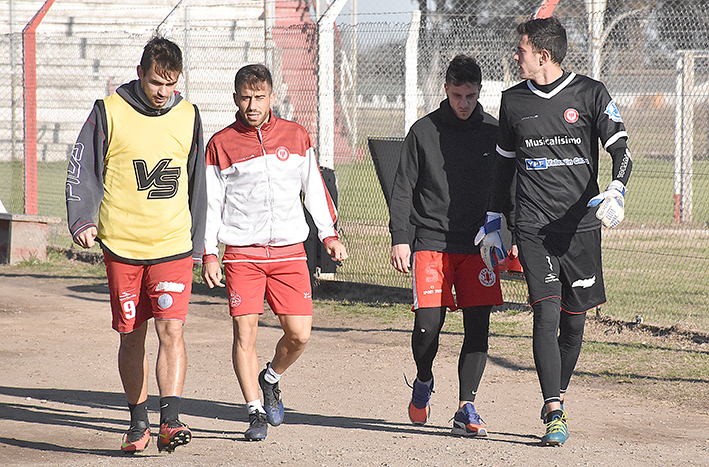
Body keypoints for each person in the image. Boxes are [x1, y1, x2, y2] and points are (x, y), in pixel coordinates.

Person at [478, 17, 632, 446]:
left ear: (543, 56)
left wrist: (617, 190)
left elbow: (621, 150)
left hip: (580, 228)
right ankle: (554, 409)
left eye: (521, 49)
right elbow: (503, 165)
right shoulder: (512, 101)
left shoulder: (591, 93)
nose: (515, 55)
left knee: (574, 322)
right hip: (533, 228)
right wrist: (493, 221)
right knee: (546, 312)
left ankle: (556, 391)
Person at [65, 36, 206, 454]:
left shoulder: (189, 115)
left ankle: (171, 421)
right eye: (157, 82)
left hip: (173, 246)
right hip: (122, 247)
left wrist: (200, 243)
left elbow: (199, 184)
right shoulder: (108, 111)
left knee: (172, 330)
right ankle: (137, 423)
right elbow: (83, 167)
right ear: (141, 72)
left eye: (172, 83)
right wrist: (82, 219)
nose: (164, 92)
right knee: (132, 336)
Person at [201, 64, 348, 442]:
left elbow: (314, 189)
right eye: (246, 98)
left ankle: (271, 378)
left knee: (299, 335)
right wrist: (209, 252)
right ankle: (254, 412)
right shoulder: (220, 143)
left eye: (259, 97)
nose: (252, 105)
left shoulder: (296, 136)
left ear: (271, 97)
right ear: (235, 99)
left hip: (289, 252)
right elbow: (210, 204)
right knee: (244, 332)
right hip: (242, 254)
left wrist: (328, 235)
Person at [389, 54, 511, 437]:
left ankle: (466, 407)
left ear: (480, 92)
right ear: (446, 90)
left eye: (471, 96)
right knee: (428, 326)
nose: (464, 103)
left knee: (478, 325)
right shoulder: (423, 131)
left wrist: (512, 236)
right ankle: (423, 379)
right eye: (457, 95)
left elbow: (508, 188)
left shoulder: (494, 131)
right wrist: (400, 238)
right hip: (430, 240)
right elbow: (403, 189)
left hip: (479, 244)